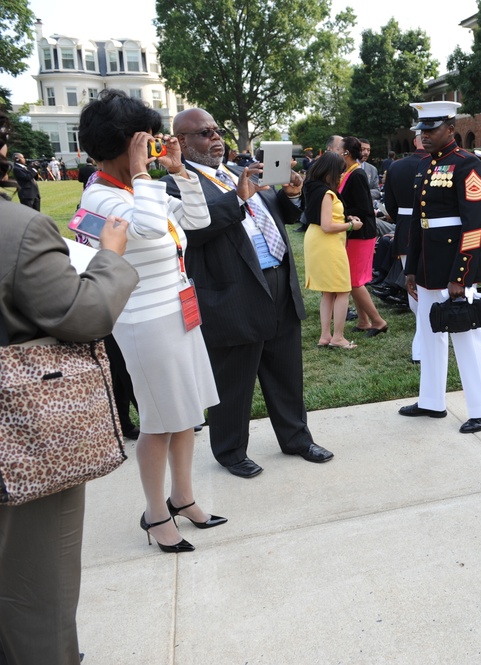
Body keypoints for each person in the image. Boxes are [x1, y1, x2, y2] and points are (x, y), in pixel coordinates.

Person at [0, 108, 140, 664]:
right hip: (22, 442)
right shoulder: (19, 230)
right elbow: (82, 314)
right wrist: (109, 260)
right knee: (38, 602)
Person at [78, 90, 224, 552]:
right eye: (145, 138)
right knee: (160, 422)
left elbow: (196, 221)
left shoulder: (138, 189)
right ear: (125, 143)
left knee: (185, 415)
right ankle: (155, 512)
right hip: (144, 322)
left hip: (179, 310)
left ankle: (182, 497)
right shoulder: (103, 196)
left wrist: (178, 172)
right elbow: (143, 228)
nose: (154, 144)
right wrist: (144, 173)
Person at [163, 107, 334, 479]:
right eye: (204, 133)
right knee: (233, 379)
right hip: (232, 291)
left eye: (215, 130)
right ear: (182, 141)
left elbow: (277, 214)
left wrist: (291, 194)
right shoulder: (176, 183)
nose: (215, 138)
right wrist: (238, 198)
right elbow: (196, 230)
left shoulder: (233, 172)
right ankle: (229, 450)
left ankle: (296, 439)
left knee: (286, 369)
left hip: (276, 281)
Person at [400, 101, 481, 434]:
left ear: (451, 129)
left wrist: (462, 275)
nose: (424, 136)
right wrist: (412, 268)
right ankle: (431, 400)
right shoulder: (428, 165)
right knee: (429, 333)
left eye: (431, 129)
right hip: (429, 263)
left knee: (466, 335)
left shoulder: (467, 164)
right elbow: (420, 221)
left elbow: (474, 225)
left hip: (456, 265)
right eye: (422, 130)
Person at [303, 152, 362, 350]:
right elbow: (328, 225)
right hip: (326, 242)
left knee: (327, 292)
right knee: (343, 290)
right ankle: (338, 337)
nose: (341, 176)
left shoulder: (312, 186)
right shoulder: (326, 193)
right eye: (340, 172)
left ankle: (325, 336)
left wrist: (344, 221)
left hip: (316, 239)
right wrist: (351, 226)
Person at [383, 129, 428, 363]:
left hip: (405, 230)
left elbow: (389, 203)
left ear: (414, 141)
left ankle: (423, 339)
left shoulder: (396, 166)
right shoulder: (438, 163)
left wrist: (402, 221)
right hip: (430, 230)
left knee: (413, 285)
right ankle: (423, 342)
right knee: (424, 287)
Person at [340, 136, 389, 337]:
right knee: (354, 280)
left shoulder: (357, 175)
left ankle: (378, 321)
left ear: (346, 154)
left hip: (362, 233)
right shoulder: (350, 173)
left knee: (354, 281)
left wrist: (339, 212)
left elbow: (365, 208)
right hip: (354, 231)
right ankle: (363, 321)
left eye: (338, 151)